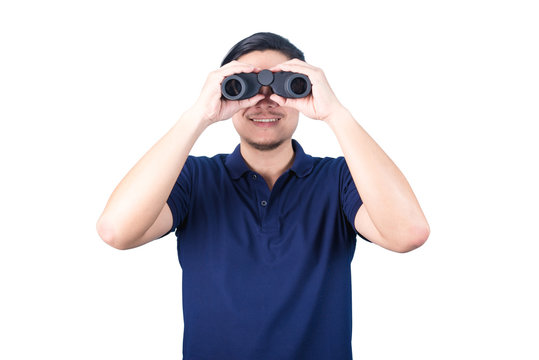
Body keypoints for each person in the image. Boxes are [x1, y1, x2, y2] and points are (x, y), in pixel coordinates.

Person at [97, 32, 430, 360]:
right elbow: (116, 231)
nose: (266, 101)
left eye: (285, 85)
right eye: (247, 86)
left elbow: (408, 234)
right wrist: (198, 115)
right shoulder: (195, 178)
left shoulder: (339, 179)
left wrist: (335, 113)